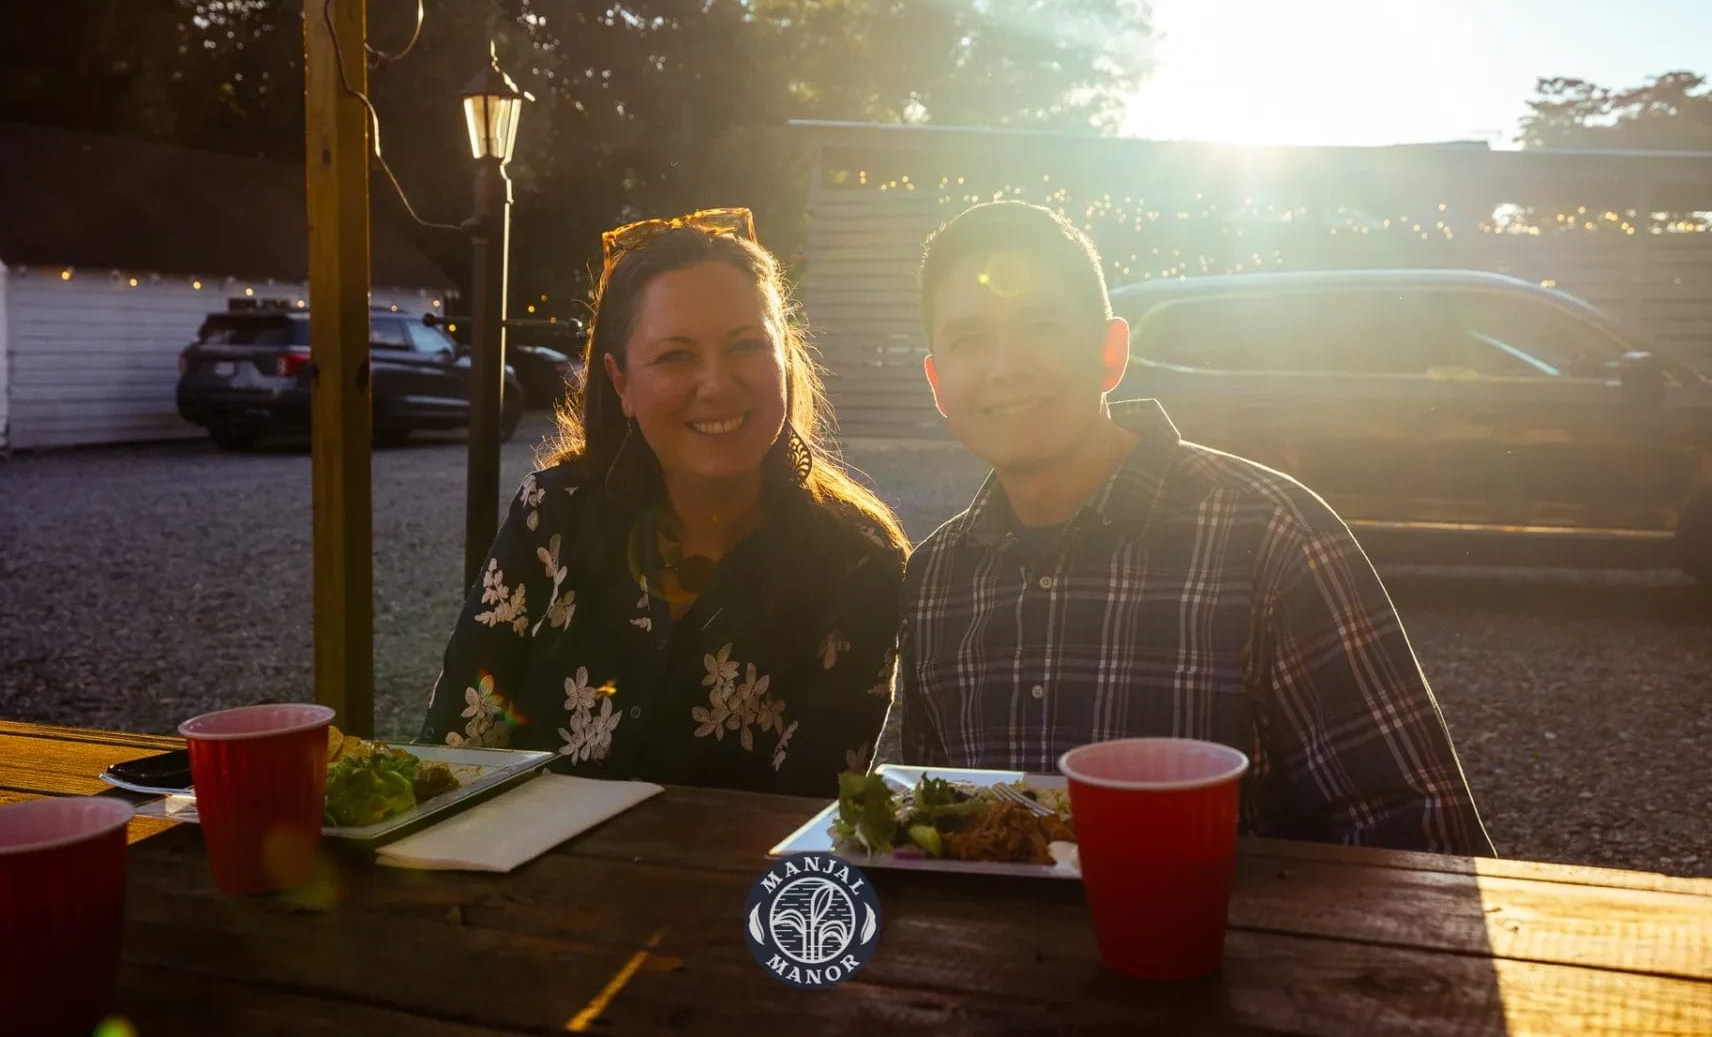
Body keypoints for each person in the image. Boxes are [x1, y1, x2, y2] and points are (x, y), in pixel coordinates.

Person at [880, 201, 1494, 855]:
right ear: (939, 384)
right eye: (970, 339)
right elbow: (938, 825)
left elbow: (1425, 838)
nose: (1007, 366)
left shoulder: (1274, 541)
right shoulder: (937, 577)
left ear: (1111, 353)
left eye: (1043, 324)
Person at [421, 208, 908, 796]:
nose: (717, 383)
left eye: (747, 345)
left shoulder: (858, 561)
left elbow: (808, 814)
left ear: (786, 359)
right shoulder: (553, 515)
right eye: (676, 355)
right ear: (621, 382)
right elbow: (454, 753)